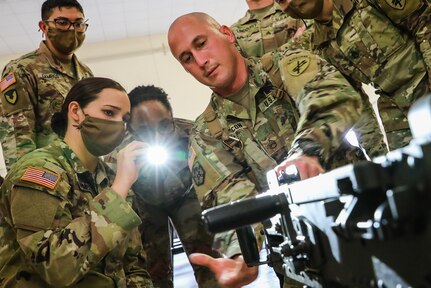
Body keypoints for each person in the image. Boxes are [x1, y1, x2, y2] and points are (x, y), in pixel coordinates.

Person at [168, 12, 364, 287]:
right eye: (187, 58)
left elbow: (332, 98)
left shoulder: (287, 64)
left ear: (227, 33)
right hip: (303, 260)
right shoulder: (206, 134)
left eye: (201, 43)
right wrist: (241, 256)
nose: (201, 61)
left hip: (363, 220)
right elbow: (232, 198)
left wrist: (307, 151)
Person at [0, 77, 153, 287]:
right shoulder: (39, 171)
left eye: (124, 118)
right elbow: (56, 267)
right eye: (109, 113)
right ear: (75, 112)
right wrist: (118, 191)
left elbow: (133, 266)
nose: (120, 125)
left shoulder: (109, 178)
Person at [105, 85, 220, 288]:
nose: (158, 138)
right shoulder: (118, 154)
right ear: (130, 129)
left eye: (164, 126)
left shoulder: (193, 135)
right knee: (153, 271)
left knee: (207, 258)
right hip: (144, 204)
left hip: (187, 195)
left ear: (172, 116)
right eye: (145, 132)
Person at [276, 0, 430, 150]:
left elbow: (424, 23)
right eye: (281, 0)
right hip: (393, 103)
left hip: (425, 79)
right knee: (409, 167)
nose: (289, 3)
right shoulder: (319, 45)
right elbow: (356, 100)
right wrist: (376, 152)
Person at [0, 0, 93, 170]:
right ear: (44, 27)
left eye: (78, 24)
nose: (72, 29)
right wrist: (28, 184)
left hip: (85, 174)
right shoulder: (22, 69)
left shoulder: (86, 73)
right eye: (62, 22)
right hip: (49, 175)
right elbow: (17, 138)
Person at [231, 0, 310, 58]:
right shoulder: (233, 33)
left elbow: (312, 41)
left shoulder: (296, 9)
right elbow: (244, 70)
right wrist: (293, 44)